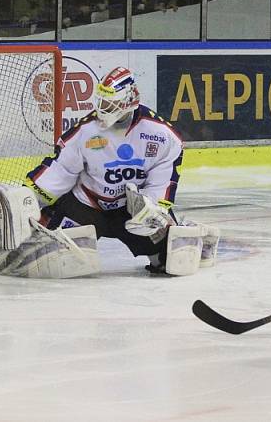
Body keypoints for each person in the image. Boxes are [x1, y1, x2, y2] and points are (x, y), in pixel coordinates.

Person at [22, 66, 218, 276]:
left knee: (171, 261)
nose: (102, 108)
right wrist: (30, 197)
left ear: (128, 101)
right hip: (87, 207)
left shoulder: (162, 135)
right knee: (49, 255)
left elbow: (161, 181)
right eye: (102, 102)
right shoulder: (86, 131)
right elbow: (62, 169)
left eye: (110, 103)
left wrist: (151, 208)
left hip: (130, 213)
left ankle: (195, 236)